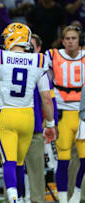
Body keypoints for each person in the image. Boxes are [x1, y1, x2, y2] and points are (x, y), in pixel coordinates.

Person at [0, 23, 56, 202]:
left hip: (6, 114)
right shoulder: (38, 60)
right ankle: (21, 198)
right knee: (20, 164)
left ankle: (14, 199)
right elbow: (46, 98)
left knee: (9, 162)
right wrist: (51, 124)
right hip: (28, 117)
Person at [45, 25, 85, 203]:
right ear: (63, 40)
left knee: (84, 160)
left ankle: (76, 194)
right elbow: (46, 83)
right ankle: (62, 199)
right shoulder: (52, 55)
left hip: (82, 114)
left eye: (73, 38)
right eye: (67, 38)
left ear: (79, 40)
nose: (70, 41)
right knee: (62, 160)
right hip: (62, 113)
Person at [23, 33, 58, 203]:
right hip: (33, 124)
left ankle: (24, 199)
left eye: (31, 45)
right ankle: (23, 199)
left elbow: (49, 100)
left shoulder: (4, 64)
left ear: (38, 48)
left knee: (36, 168)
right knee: (18, 168)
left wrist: (51, 123)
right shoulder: (39, 69)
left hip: (36, 126)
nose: (28, 49)